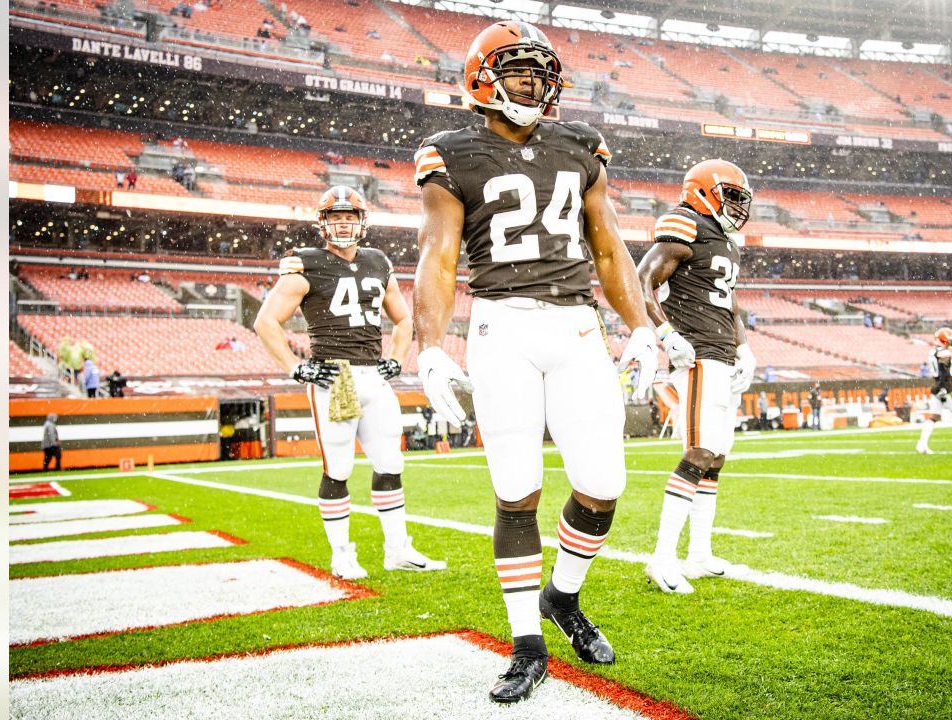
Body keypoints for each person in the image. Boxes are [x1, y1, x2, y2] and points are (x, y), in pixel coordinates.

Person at [411, 20, 658, 704]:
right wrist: (427, 347)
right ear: (481, 77)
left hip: (578, 325)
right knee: (517, 488)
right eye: (515, 67)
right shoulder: (449, 152)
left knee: (603, 484)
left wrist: (639, 326)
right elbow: (438, 254)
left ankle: (563, 597)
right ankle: (526, 644)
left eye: (538, 69)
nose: (530, 79)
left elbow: (608, 247)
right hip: (503, 326)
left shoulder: (580, 146)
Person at [254, 185, 446, 582]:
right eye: (335, 218)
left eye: (350, 218)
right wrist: (295, 366)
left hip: (374, 374)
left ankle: (397, 549)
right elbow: (265, 321)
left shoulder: (378, 261)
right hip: (335, 375)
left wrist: (395, 358)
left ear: (362, 224)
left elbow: (404, 319)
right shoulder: (305, 263)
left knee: (391, 463)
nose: (343, 225)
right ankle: (341, 553)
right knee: (338, 469)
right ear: (322, 224)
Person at [634, 159, 756, 595]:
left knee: (716, 458)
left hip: (723, 356)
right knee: (699, 452)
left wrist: (744, 347)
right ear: (704, 191)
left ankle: (699, 554)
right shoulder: (685, 224)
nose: (739, 207)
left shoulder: (725, 241)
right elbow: (640, 279)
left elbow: (730, 303)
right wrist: (665, 334)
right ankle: (662, 557)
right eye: (733, 196)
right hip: (698, 355)